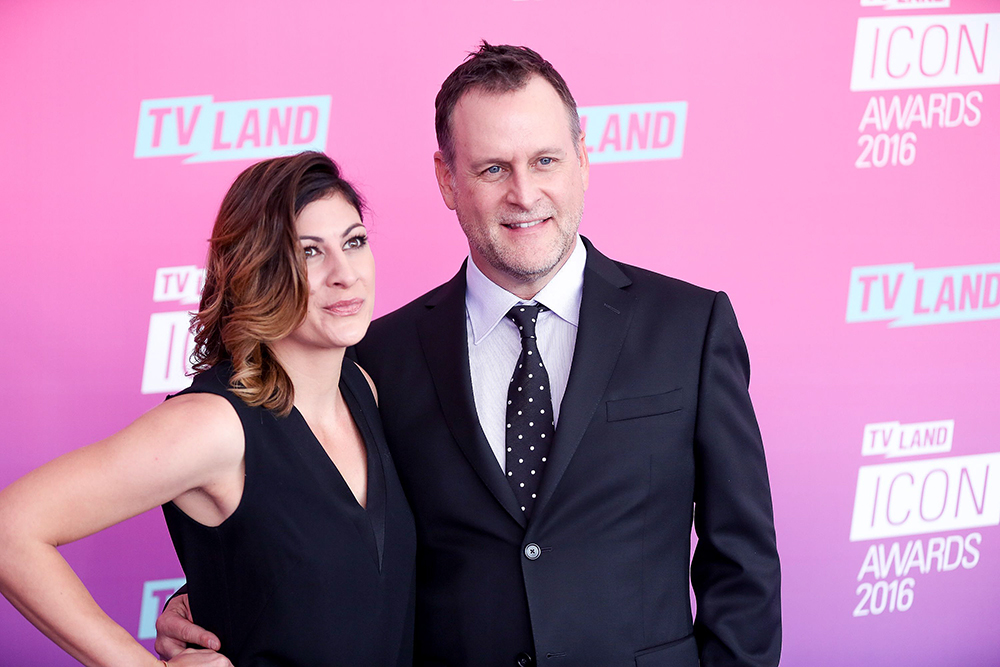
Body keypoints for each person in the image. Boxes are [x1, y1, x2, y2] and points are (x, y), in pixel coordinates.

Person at [159, 43, 781, 667]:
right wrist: (211, 599)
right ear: (446, 180)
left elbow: (742, 559)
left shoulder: (690, 327)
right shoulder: (376, 357)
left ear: (584, 160)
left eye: (545, 160)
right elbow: (319, 531)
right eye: (491, 169)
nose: (524, 193)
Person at [0, 152, 416, 666]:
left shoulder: (361, 388)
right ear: (256, 269)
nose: (344, 273)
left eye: (354, 242)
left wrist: (206, 593)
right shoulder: (214, 424)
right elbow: (10, 529)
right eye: (309, 252)